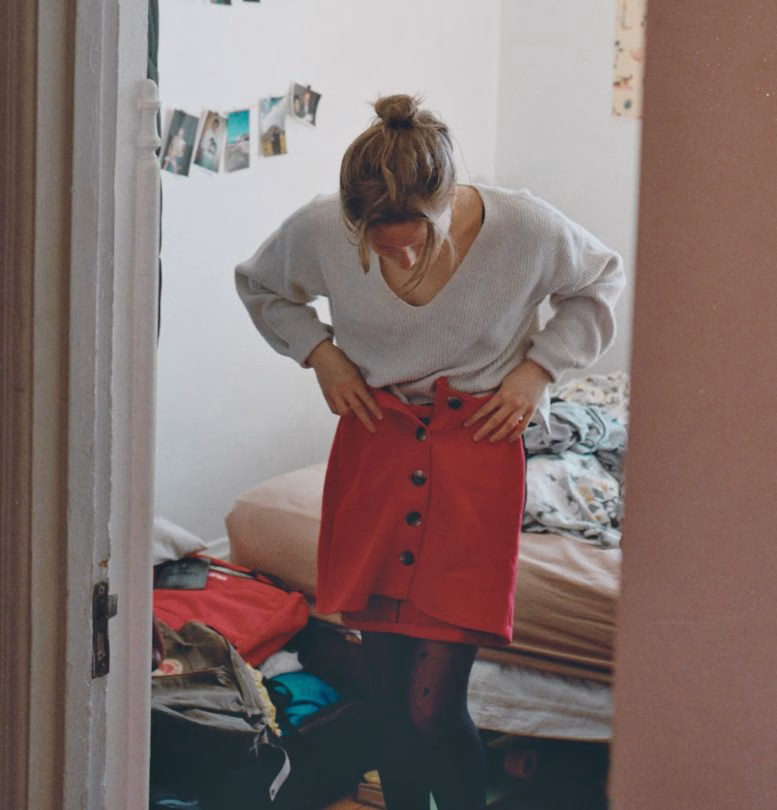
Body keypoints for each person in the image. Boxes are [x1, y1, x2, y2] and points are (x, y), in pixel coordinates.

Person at [235, 94, 624, 810]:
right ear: (354, 219)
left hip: (477, 453)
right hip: (373, 452)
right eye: (381, 246)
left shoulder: (526, 227)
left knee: (428, 709)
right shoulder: (324, 227)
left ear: (446, 201)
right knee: (386, 707)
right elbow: (259, 285)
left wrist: (540, 370)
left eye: (419, 238)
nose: (403, 257)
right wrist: (321, 354)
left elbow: (601, 279)